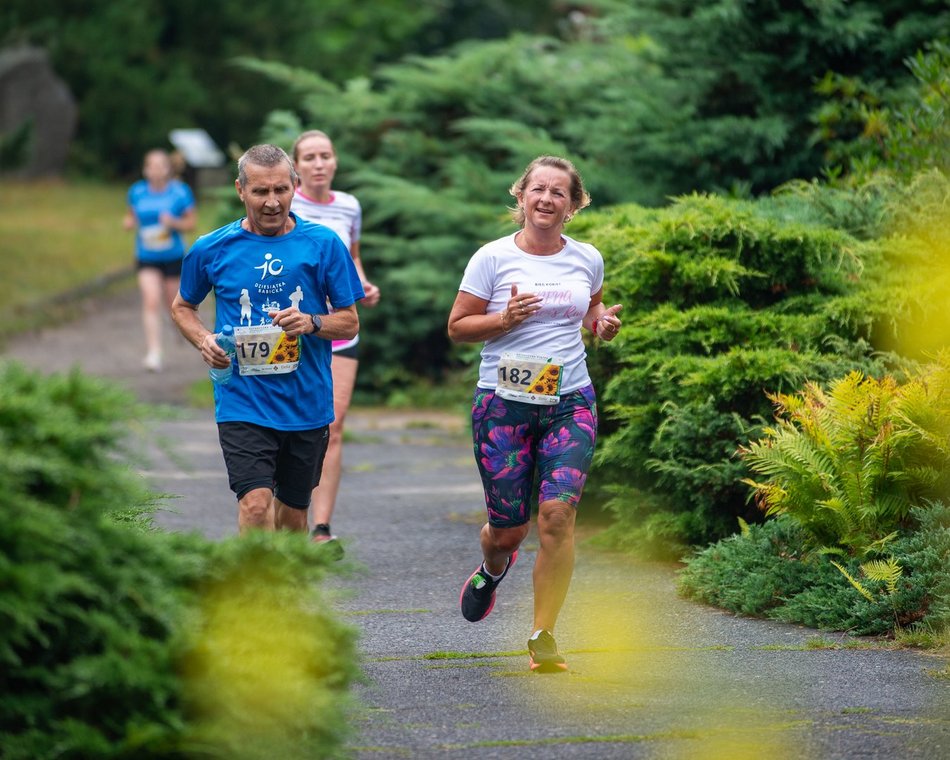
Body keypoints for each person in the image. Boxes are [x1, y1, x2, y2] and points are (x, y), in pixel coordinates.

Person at [447, 155, 623, 673]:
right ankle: (492, 565)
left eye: (559, 193)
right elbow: (458, 326)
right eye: (538, 190)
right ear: (521, 196)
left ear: (573, 205)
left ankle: (543, 634)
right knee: (509, 529)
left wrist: (601, 324)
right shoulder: (492, 258)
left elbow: (591, 307)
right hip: (503, 405)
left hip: (570, 401)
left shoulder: (587, 257)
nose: (547, 199)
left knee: (557, 518)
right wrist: (504, 318)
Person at [171, 144, 364, 534]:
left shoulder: (324, 244)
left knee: (292, 516)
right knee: (256, 507)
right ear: (241, 190)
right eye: (260, 192)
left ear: (295, 186)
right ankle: (256, 594)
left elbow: (349, 322)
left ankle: (288, 593)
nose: (272, 202)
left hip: (305, 401)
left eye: (281, 190)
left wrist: (311, 322)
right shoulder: (211, 248)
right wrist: (204, 340)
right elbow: (181, 307)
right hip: (242, 400)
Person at [291, 130, 381, 553]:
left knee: (334, 424)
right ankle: (291, 517)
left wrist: (363, 283)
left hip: (340, 328)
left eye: (325, 155)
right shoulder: (284, 204)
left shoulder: (349, 206)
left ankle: (322, 528)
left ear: (335, 161)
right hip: (293, 332)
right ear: (297, 166)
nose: (318, 164)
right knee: (293, 425)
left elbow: (353, 257)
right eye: (309, 157)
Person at [123, 149, 197, 372]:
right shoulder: (136, 192)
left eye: (160, 165)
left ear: (167, 169)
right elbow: (131, 216)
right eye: (151, 165)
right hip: (146, 256)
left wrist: (173, 223)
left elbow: (191, 224)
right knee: (151, 300)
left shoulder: (180, 192)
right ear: (145, 169)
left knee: (172, 304)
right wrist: (128, 222)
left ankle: (177, 327)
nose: (155, 170)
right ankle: (154, 352)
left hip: (173, 256)